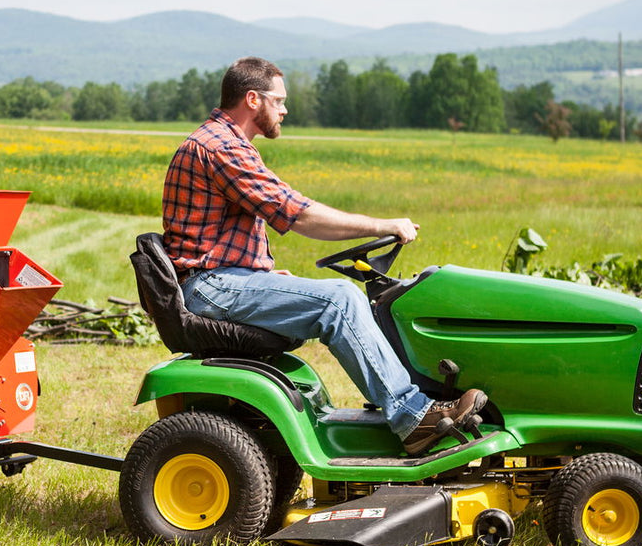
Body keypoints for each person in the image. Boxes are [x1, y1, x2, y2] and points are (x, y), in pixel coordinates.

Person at [162, 56, 485, 455]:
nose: (284, 109)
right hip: (211, 287)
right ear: (251, 99)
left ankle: (411, 405)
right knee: (340, 299)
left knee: (341, 296)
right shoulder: (223, 148)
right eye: (278, 100)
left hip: (219, 280)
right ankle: (412, 416)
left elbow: (218, 235)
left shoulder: (220, 142)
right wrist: (382, 225)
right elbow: (300, 216)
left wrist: (262, 274)